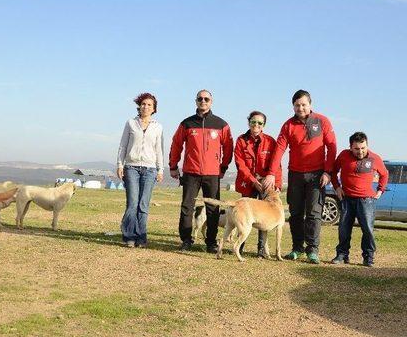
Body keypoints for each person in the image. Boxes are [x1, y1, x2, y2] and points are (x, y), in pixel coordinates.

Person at [262, 90, 337, 264]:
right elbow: (279, 149)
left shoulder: (322, 121)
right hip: (295, 174)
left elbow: (331, 148)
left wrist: (328, 171)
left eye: (303, 104)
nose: (300, 108)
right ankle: (297, 248)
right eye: (297, 105)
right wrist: (271, 173)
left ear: (310, 104)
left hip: (317, 175)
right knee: (295, 213)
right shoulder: (288, 125)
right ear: (293, 106)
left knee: (313, 213)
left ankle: (313, 250)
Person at [169, 90, 233, 252]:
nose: (203, 101)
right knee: (187, 207)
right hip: (191, 172)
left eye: (206, 99)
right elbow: (176, 144)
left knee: (212, 209)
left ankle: (211, 242)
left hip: (212, 173)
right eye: (200, 99)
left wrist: (223, 167)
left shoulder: (221, 124)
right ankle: (186, 240)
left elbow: (228, 147)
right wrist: (173, 166)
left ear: (211, 101)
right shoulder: (187, 123)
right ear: (196, 101)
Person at [330, 132, 388, 267]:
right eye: (356, 149)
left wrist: (380, 190)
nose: (360, 152)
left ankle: (368, 257)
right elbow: (334, 172)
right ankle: (342, 255)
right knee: (344, 228)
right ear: (350, 147)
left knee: (368, 229)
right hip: (347, 198)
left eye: (363, 148)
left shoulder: (375, 158)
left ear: (367, 145)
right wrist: (337, 187)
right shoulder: (344, 155)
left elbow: (384, 174)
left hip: (366, 200)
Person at [116, 92, 164, 248]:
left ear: (154, 108)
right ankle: (129, 236)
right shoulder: (130, 123)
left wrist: (160, 169)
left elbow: (159, 149)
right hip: (131, 168)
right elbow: (123, 145)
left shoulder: (158, 127)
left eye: (149, 104)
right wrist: (120, 164)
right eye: (143, 104)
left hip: (150, 169)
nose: (146, 107)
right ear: (139, 106)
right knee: (132, 203)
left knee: (144, 205)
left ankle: (141, 237)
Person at [234, 111, 282, 258]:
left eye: (260, 123)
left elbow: (276, 164)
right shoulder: (241, 140)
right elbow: (240, 164)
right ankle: (240, 247)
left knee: (264, 217)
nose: (256, 125)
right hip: (248, 182)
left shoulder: (270, 141)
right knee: (244, 216)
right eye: (253, 122)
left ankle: (261, 250)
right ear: (249, 122)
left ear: (264, 126)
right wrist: (253, 181)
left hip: (266, 185)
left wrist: (277, 184)